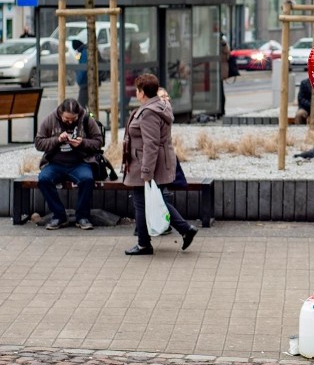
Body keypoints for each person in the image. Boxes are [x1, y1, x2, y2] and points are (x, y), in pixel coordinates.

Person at [122, 73, 198, 256]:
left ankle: (144, 244)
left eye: (137, 90)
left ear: (142, 92)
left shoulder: (149, 112)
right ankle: (185, 230)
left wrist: (146, 171)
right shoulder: (156, 106)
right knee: (157, 201)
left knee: (142, 204)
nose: (136, 93)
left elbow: (151, 144)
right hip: (148, 163)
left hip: (146, 165)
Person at [35, 98, 104, 230]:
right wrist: (57, 140)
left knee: (87, 179)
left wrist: (82, 143)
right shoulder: (50, 119)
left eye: (74, 119)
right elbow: (38, 143)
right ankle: (59, 216)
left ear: (79, 114)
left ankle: (82, 217)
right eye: (67, 119)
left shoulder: (86, 118)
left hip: (80, 162)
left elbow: (98, 141)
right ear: (60, 113)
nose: (70, 121)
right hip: (55, 163)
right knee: (43, 179)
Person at [218, 36, 231, 118]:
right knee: (220, 91)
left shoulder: (223, 45)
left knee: (220, 92)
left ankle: (221, 110)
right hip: (219, 70)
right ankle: (221, 110)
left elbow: (227, 54)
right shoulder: (223, 45)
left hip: (220, 71)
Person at [74, 41, 89, 109]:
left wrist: (79, 80)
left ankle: (91, 118)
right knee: (86, 105)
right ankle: (92, 117)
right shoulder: (83, 51)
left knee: (81, 106)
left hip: (85, 84)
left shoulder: (84, 53)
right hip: (85, 83)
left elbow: (83, 69)